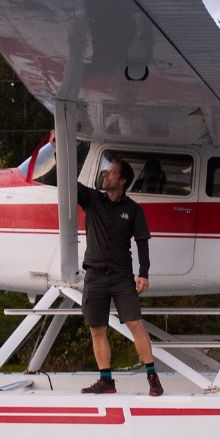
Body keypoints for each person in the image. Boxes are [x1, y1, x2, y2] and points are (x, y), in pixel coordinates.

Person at [77, 157, 163, 396]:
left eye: (111, 173)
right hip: (94, 275)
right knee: (97, 328)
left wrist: (144, 273)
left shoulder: (133, 209)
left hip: (122, 276)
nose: (106, 175)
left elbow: (142, 243)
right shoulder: (92, 199)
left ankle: (152, 375)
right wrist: (56, 150)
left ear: (123, 180)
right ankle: (106, 381)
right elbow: (67, 181)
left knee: (135, 324)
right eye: (106, 172)